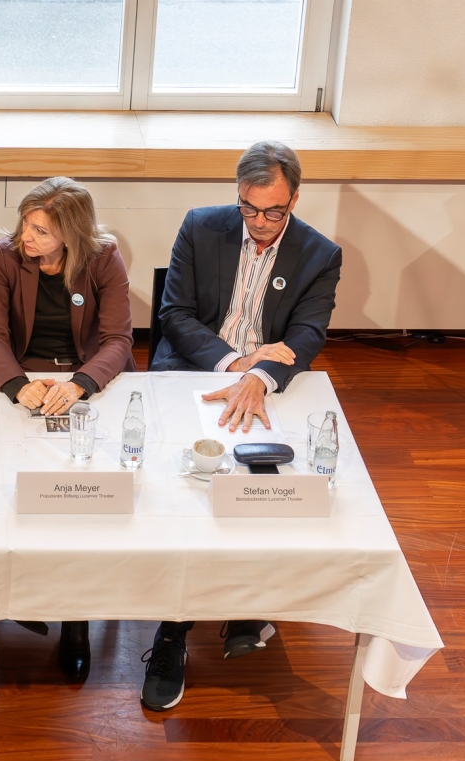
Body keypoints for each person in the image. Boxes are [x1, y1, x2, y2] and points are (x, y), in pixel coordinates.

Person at [139, 140, 345, 712]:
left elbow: (307, 334)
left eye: (273, 213)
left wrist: (262, 377)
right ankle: (172, 632)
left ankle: (247, 601)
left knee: (267, 489)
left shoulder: (319, 254)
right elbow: (174, 314)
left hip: (270, 385)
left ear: (295, 200)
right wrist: (239, 365)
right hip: (198, 370)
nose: (258, 224)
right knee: (187, 493)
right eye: (248, 209)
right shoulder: (202, 227)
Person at [0, 176, 135, 681]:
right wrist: (16, 384)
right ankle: (19, 592)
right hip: (25, 374)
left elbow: (118, 338)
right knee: (12, 492)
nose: (28, 237)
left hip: (85, 378)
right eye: (27, 224)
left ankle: (76, 620)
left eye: (42, 231)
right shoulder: (2, 256)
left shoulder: (103, 259)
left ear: (72, 233)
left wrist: (82, 382)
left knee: (79, 496)